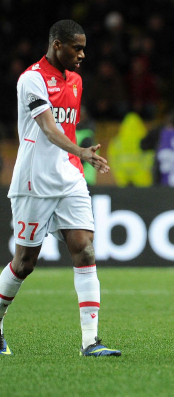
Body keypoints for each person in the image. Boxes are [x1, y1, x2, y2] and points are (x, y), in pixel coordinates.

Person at [0, 20, 121, 356]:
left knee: (85, 249)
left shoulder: (76, 81)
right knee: (25, 263)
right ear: (57, 45)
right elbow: (49, 128)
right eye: (76, 48)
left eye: (84, 48)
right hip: (34, 180)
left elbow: (66, 126)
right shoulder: (32, 79)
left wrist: (77, 158)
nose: (82, 55)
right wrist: (81, 150)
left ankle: (90, 342)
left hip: (69, 177)